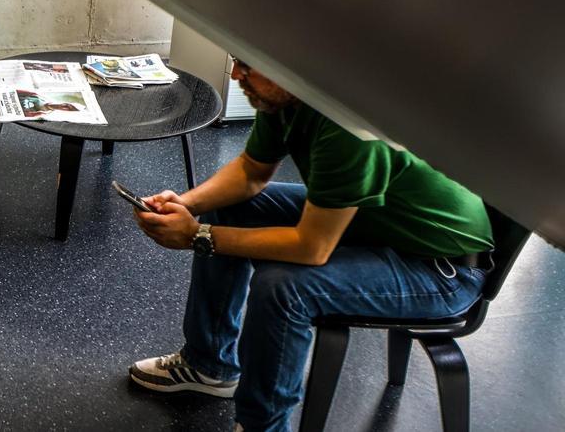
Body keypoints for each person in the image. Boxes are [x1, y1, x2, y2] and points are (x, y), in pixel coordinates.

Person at [127, 56, 494, 432]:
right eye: (237, 60)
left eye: (248, 65)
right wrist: (185, 204)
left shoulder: (347, 123)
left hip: (438, 269)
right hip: (373, 221)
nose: (236, 74)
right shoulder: (283, 97)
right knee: (230, 206)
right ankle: (209, 366)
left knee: (283, 289)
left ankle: (261, 426)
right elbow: (251, 173)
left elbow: (312, 246)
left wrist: (198, 236)